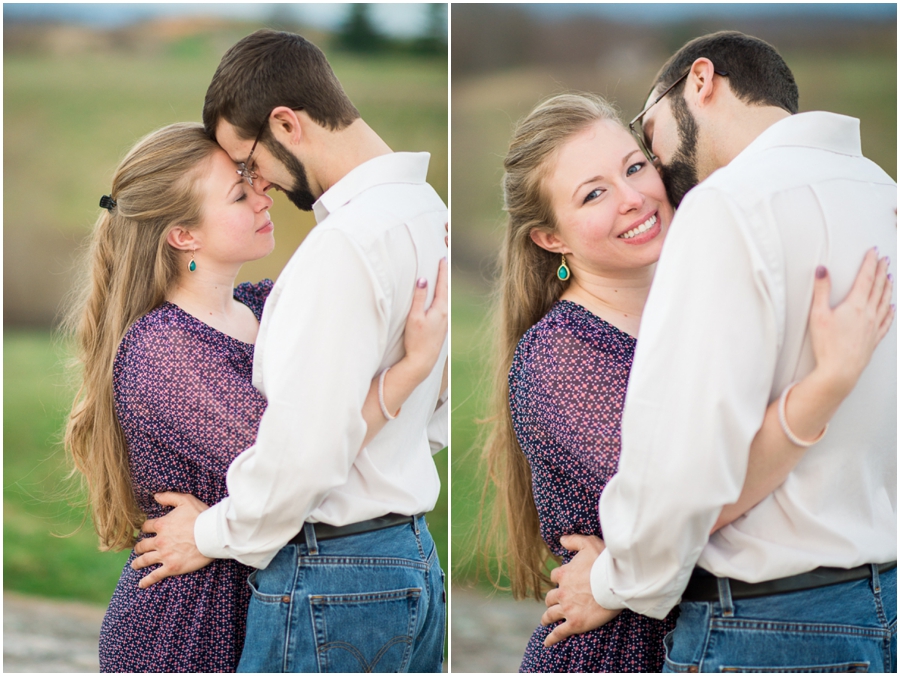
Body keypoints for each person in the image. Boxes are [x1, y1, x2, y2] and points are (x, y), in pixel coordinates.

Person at [481, 91, 893, 673]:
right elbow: (690, 502)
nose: (633, 198)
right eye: (594, 193)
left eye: (634, 167)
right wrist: (829, 382)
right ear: (552, 239)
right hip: (625, 651)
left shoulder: (705, 301)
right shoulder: (559, 357)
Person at [63, 123, 447, 672]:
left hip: (270, 598)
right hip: (190, 628)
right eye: (239, 194)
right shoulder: (165, 351)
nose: (263, 195)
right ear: (183, 236)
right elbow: (305, 461)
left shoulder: (266, 306)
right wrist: (411, 367)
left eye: (254, 182)